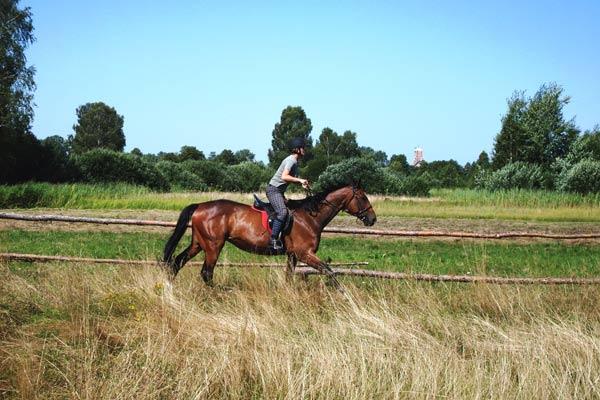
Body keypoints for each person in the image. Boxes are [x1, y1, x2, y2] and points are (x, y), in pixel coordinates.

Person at [266, 137, 310, 251]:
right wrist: (300, 180)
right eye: (303, 148)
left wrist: (301, 183)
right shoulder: (291, 160)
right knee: (282, 212)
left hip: (279, 191)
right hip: (273, 190)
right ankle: (273, 240)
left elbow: (290, 179)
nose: (305, 150)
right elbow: (284, 177)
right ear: (297, 149)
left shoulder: (295, 161)